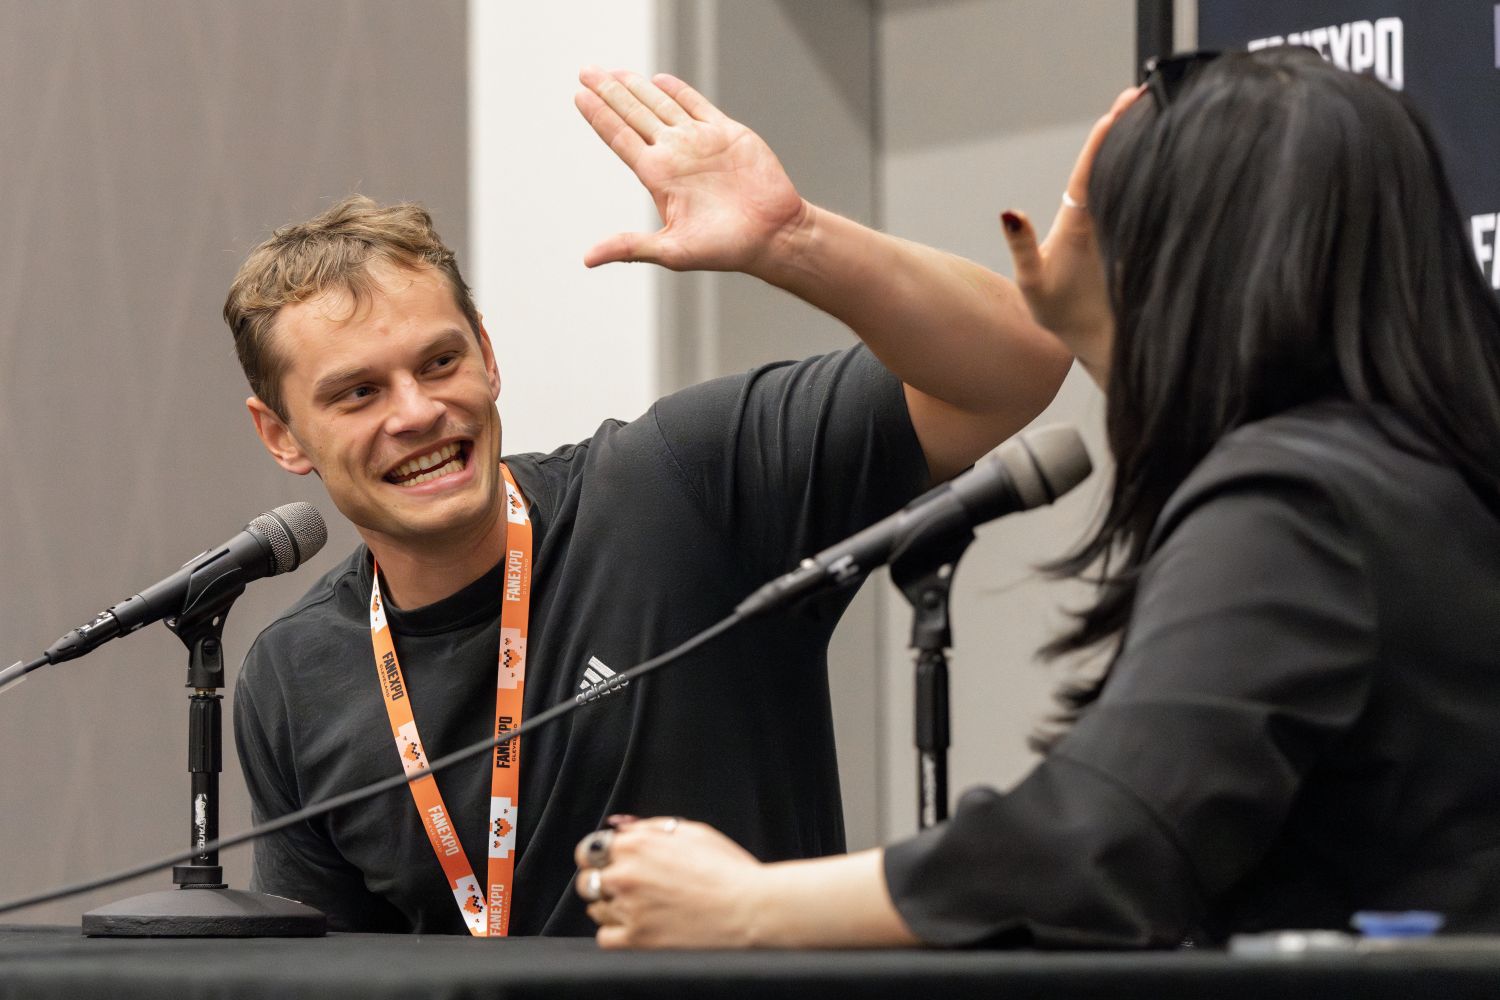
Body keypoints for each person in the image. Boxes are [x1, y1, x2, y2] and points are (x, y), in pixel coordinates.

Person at [572, 47, 1500, 949]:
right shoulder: (1423, 478)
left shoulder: (1297, 505)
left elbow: (1095, 837)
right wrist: (1075, 309)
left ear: (1196, 261)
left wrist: (746, 904)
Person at [227, 68, 1072, 936]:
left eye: (439, 362)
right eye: (358, 393)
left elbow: (1023, 361)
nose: (416, 412)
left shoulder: (679, 484)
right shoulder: (295, 675)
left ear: (486, 355)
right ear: (281, 434)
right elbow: (324, 973)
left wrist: (794, 239)